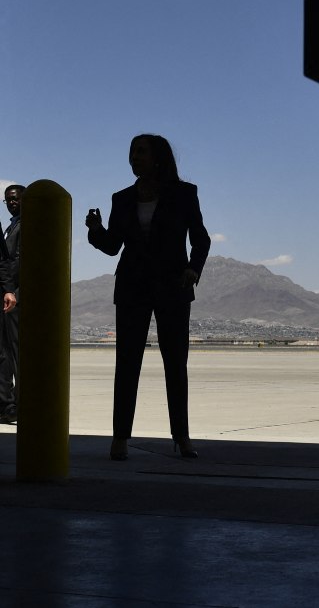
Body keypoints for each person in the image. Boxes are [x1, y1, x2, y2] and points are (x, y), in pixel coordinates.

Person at [85, 135, 211, 461]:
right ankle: (120, 439)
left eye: (141, 151)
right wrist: (95, 230)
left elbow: (201, 238)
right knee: (127, 364)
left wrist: (194, 270)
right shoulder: (122, 198)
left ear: (158, 157)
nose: (134, 157)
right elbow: (114, 245)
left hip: (173, 287)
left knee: (175, 366)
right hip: (131, 287)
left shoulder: (184, 194)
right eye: (131, 151)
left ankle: (181, 437)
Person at [0, 185, 22, 425]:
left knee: (15, 353)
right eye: (7, 200)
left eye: (15, 199)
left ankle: (15, 404)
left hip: (13, 296)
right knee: (4, 353)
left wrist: (10, 291)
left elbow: (15, 261)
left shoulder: (24, 226)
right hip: (6, 294)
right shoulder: (11, 225)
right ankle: (6, 404)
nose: (11, 203)